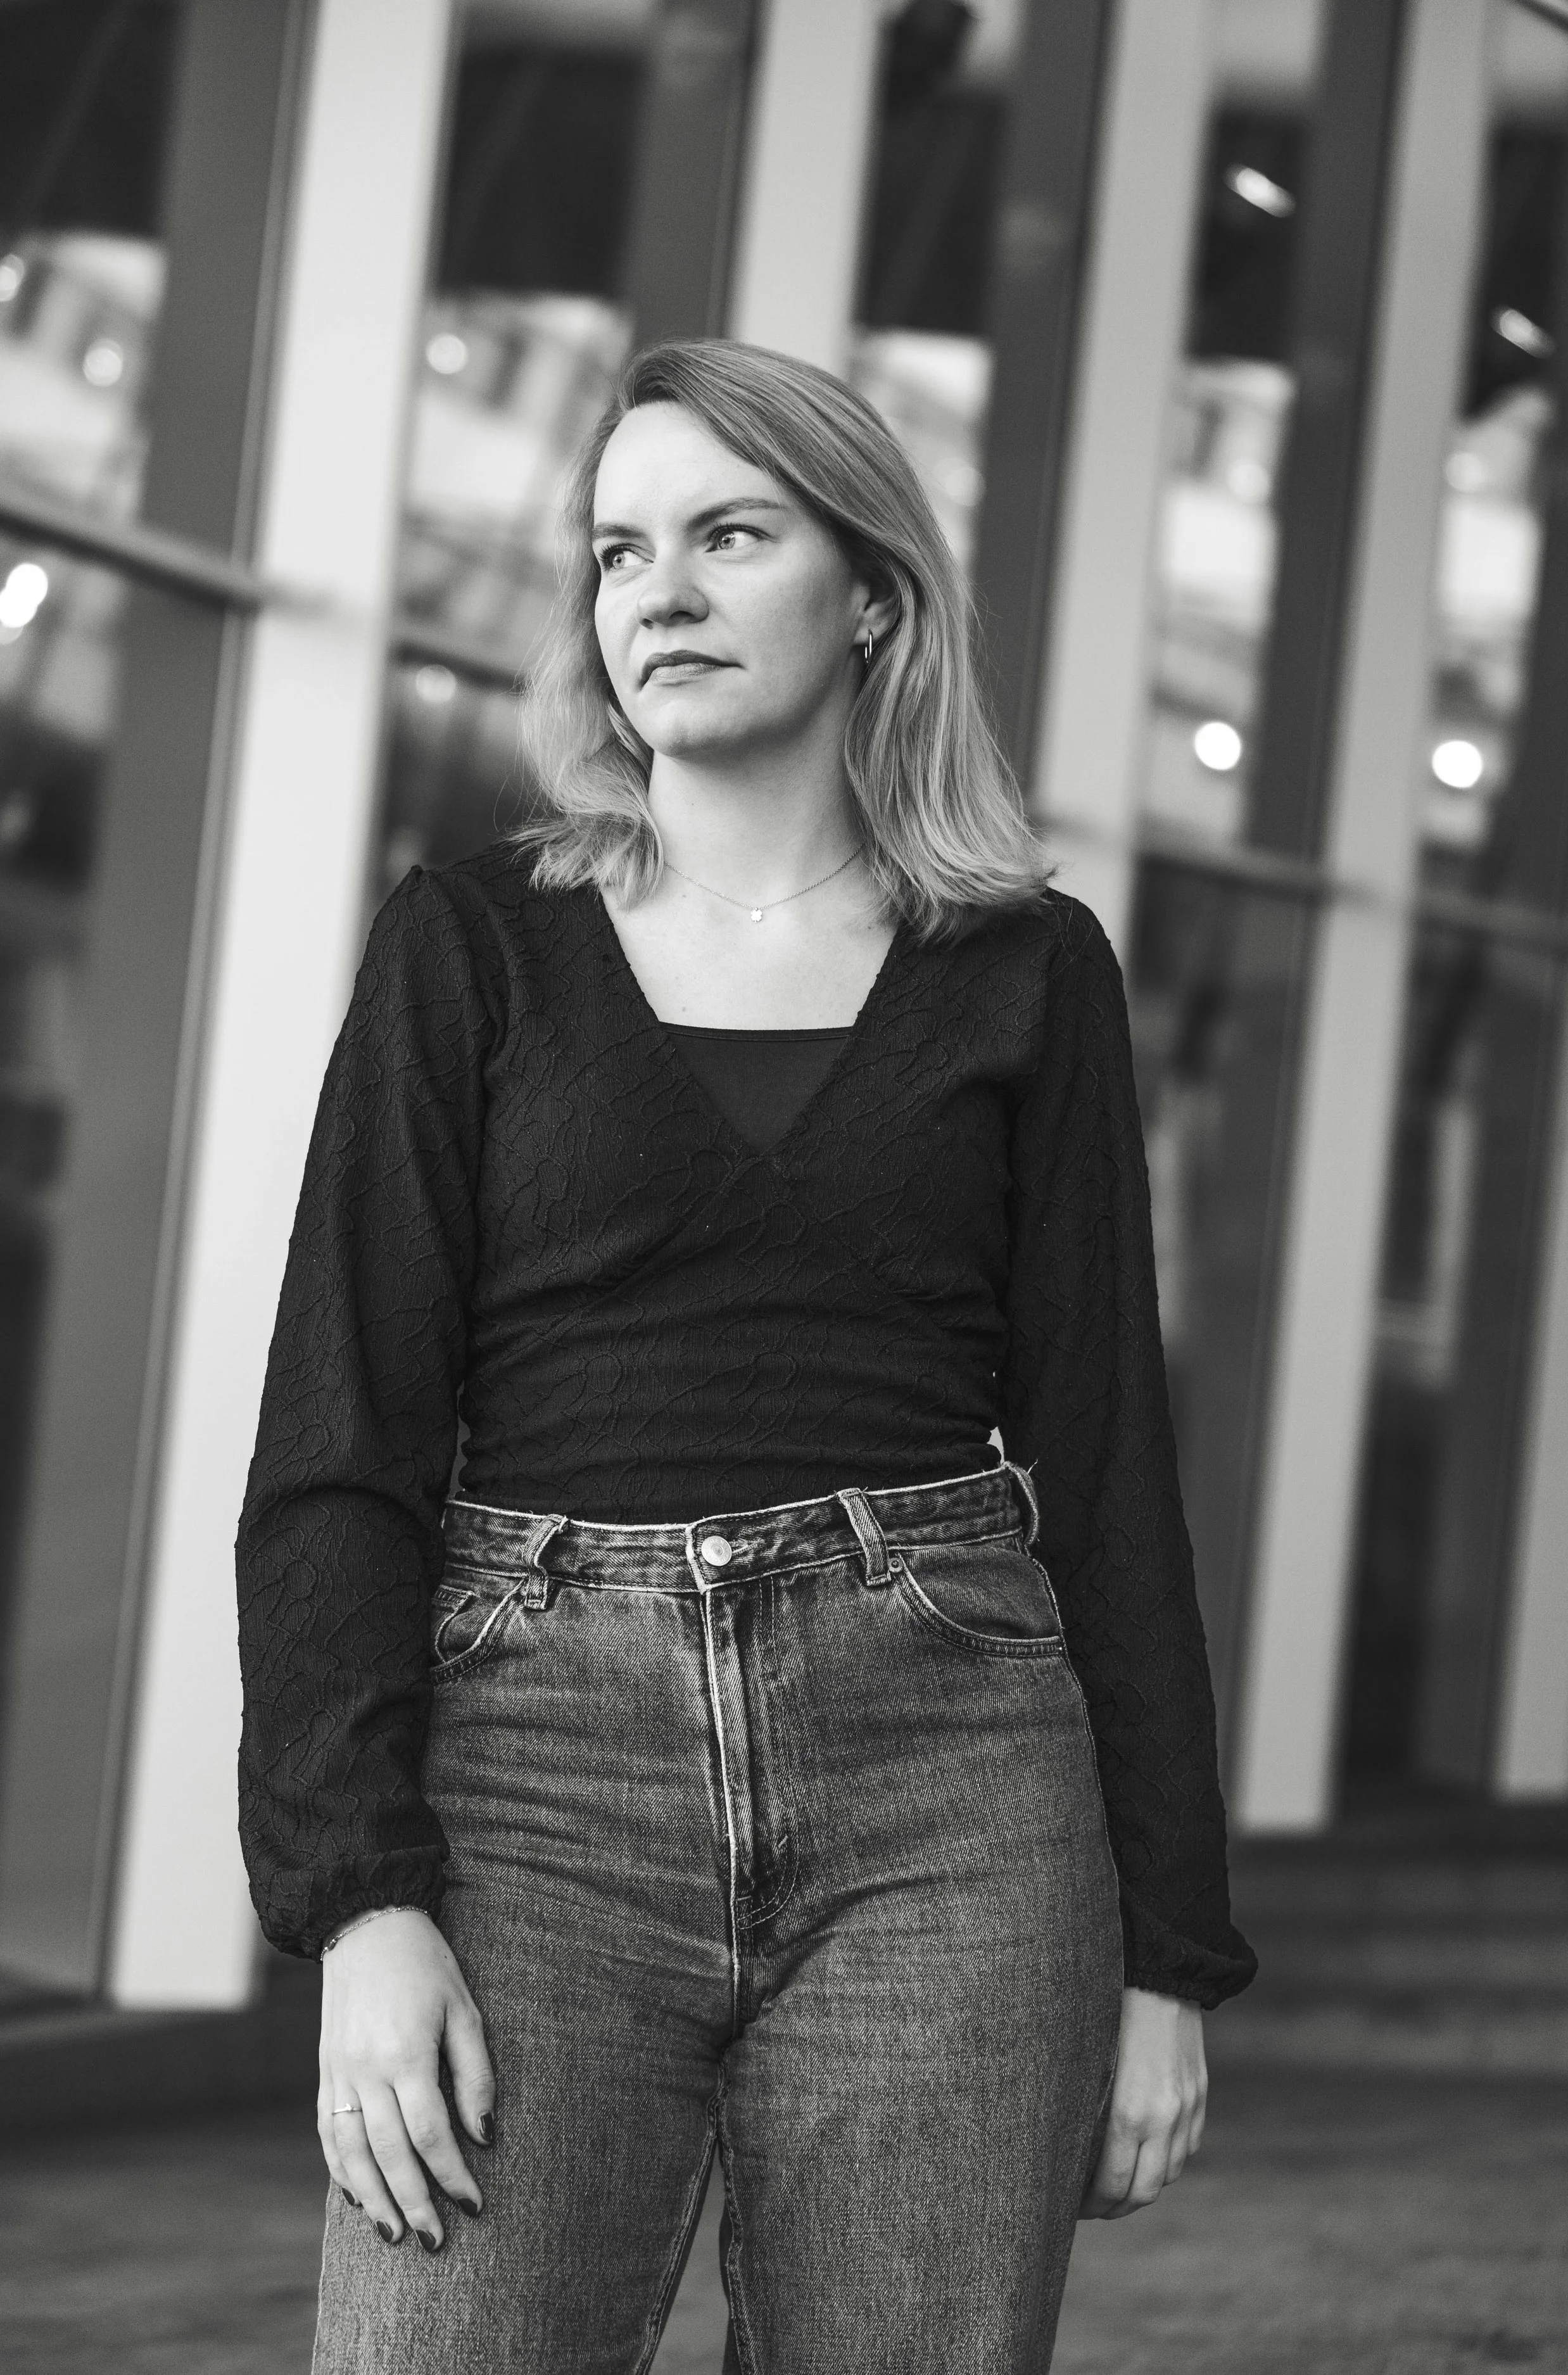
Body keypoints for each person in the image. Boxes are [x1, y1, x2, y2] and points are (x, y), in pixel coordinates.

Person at [237, 338, 1255, 2374]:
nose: (659, 594)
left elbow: (1107, 1459)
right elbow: (337, 1439)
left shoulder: (1026, 970)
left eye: (728, 536)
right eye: (620, 551)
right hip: (535, 1781)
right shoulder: (473, 940)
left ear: (869, 588)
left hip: (950, 1781)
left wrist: (1169, 1949)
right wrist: (361, 1899)